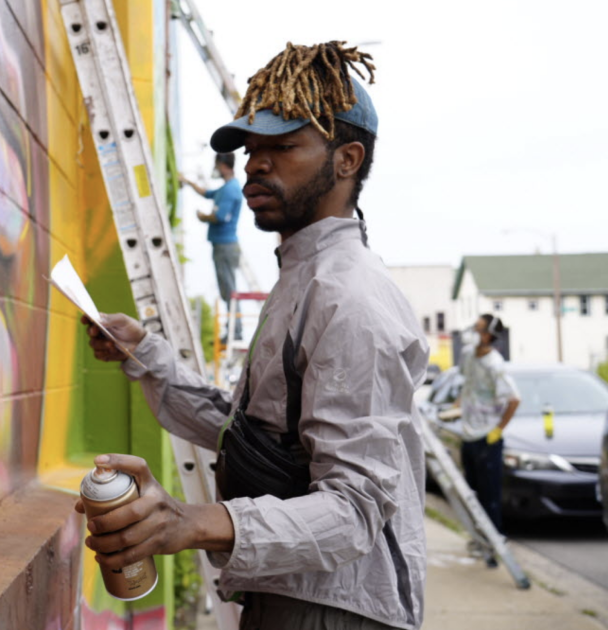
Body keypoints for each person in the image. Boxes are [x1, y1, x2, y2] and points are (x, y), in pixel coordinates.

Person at [79, 41, 428, 630]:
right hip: (292, 595)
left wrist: (193, 522)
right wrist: (145, 353)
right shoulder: (303, 277)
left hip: (335, 610)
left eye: (283, 146)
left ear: (347, 160)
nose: (255, 165)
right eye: (251, 149)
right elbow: (249, 436)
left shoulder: (350, 299)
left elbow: (354, 510)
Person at [456, 313, 520, 562]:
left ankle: (494, 549)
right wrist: (455, 409)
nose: (474, 332)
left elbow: (514, 399)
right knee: (472, 494)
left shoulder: (496, 365)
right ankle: (480, 540)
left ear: (489, 335)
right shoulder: (468, 357)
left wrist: (497, 430)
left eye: (479, 329)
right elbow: (467, 387)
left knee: (489, 497)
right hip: (469, 435)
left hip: (487, 439)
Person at [180, 154, 243, 340]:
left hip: (225, 246)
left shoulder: (231, 190)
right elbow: (207, 193)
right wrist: (188, 182)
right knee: (227, 289)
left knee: (229, 290)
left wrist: (203, 217)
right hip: (222, 245)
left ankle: (235, 332)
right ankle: (234, 330)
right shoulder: (226, 188)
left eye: (216, 165)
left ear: (223, 166)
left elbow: (220, 217)